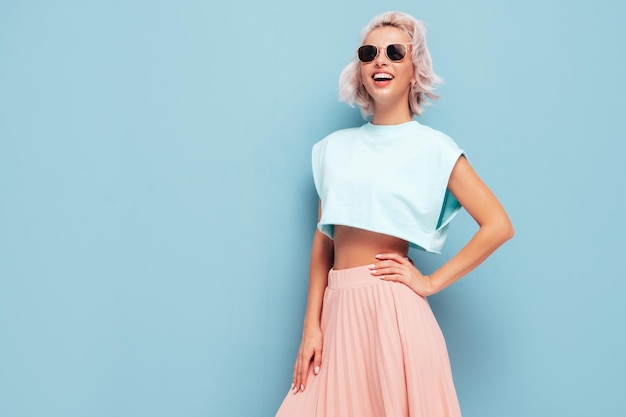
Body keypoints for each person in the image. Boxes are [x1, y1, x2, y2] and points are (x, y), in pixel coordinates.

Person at [275, 11, 513, 417]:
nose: (380, 61)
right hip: (337, 311)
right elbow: (324, 241)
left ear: (414, 70)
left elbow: (498, 225)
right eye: (369, 53)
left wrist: (431, 282)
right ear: (360, 69)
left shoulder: (433, 148)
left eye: (394, 52)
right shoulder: (332, 149)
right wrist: (310, 326)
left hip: (394, 311)